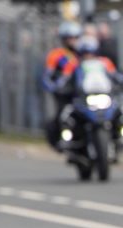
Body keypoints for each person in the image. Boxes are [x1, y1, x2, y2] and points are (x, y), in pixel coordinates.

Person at [42, 21, 81, 150]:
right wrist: (53, 86)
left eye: (75, 37)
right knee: (62, 114)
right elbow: (48, 75)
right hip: (65, 91)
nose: (73, 41)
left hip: (82, 91)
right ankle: (60, 139)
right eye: (70, 38)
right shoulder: (57, 54)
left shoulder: (84, 53)